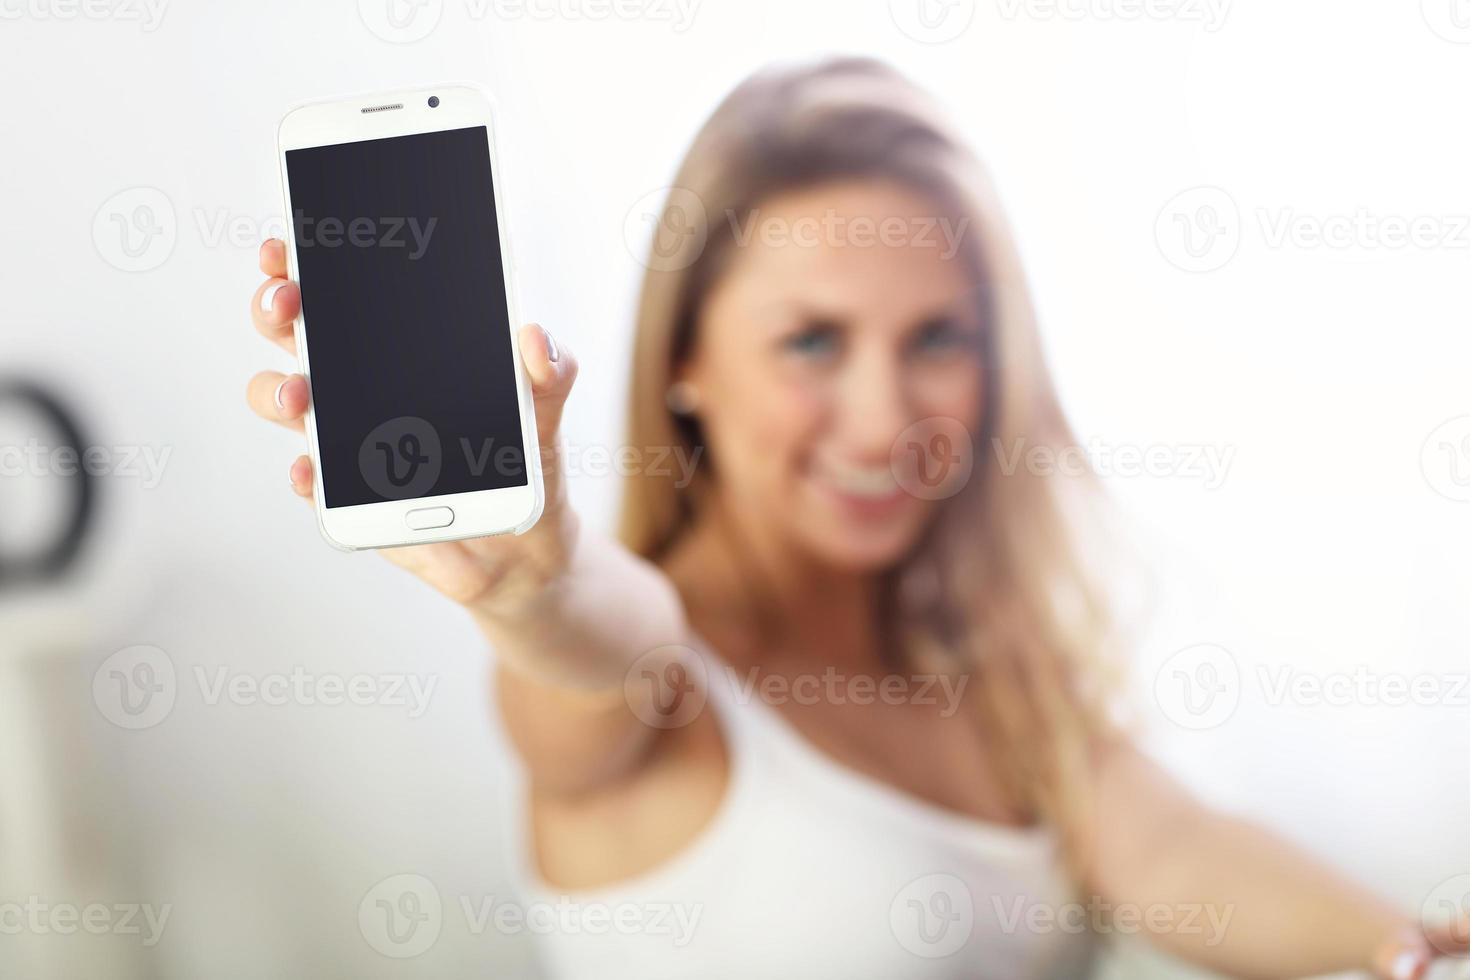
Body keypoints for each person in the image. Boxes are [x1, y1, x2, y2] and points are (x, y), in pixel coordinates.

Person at [245, 57, 1467, 979]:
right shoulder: (653, 675)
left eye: (937, 335)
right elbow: (588, 647)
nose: (885, 421)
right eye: (812, 340)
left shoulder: (987, 666)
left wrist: (1412, 948)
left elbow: (1174, 848)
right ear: (687, 362)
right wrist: (537, 586)